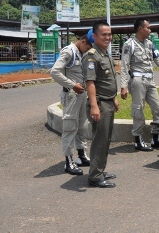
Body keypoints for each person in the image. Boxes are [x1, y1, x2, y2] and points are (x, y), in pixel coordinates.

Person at [120, 18, 159, 152]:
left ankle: (156, 138)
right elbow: (124, 66)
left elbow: (158, 59)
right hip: (137, 81)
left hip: (150, 80)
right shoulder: (129, 44)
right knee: (138, 110)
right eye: (148, 27)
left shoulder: (149, 43)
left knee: (158, 108)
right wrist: (123, 86)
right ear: (140, 29)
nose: (150, 30)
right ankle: (138, 140)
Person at [50, 32, 93, 175]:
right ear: (82, 41)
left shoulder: (81, 53)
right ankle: (68, 161)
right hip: (71, 95)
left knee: (82, 126)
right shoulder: (69, 52)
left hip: (81, 95)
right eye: (88, 47)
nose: (88, 50)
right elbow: (55, 72)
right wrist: (72, 85)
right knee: (70, 127)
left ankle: (81, 155)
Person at [82, 21, 119, 188]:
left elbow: (108, 81)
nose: (108, 37)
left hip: (108, 101)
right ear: (94, 36)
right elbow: (90, 83)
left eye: (109, 34)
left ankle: (99, 170)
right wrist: (94, 106)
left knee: (106, 139)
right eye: (103, 34)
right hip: (100, 104)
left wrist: (114, 98)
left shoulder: (104, 54)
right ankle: (95, 176)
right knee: (100, 140)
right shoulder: (91, 56)